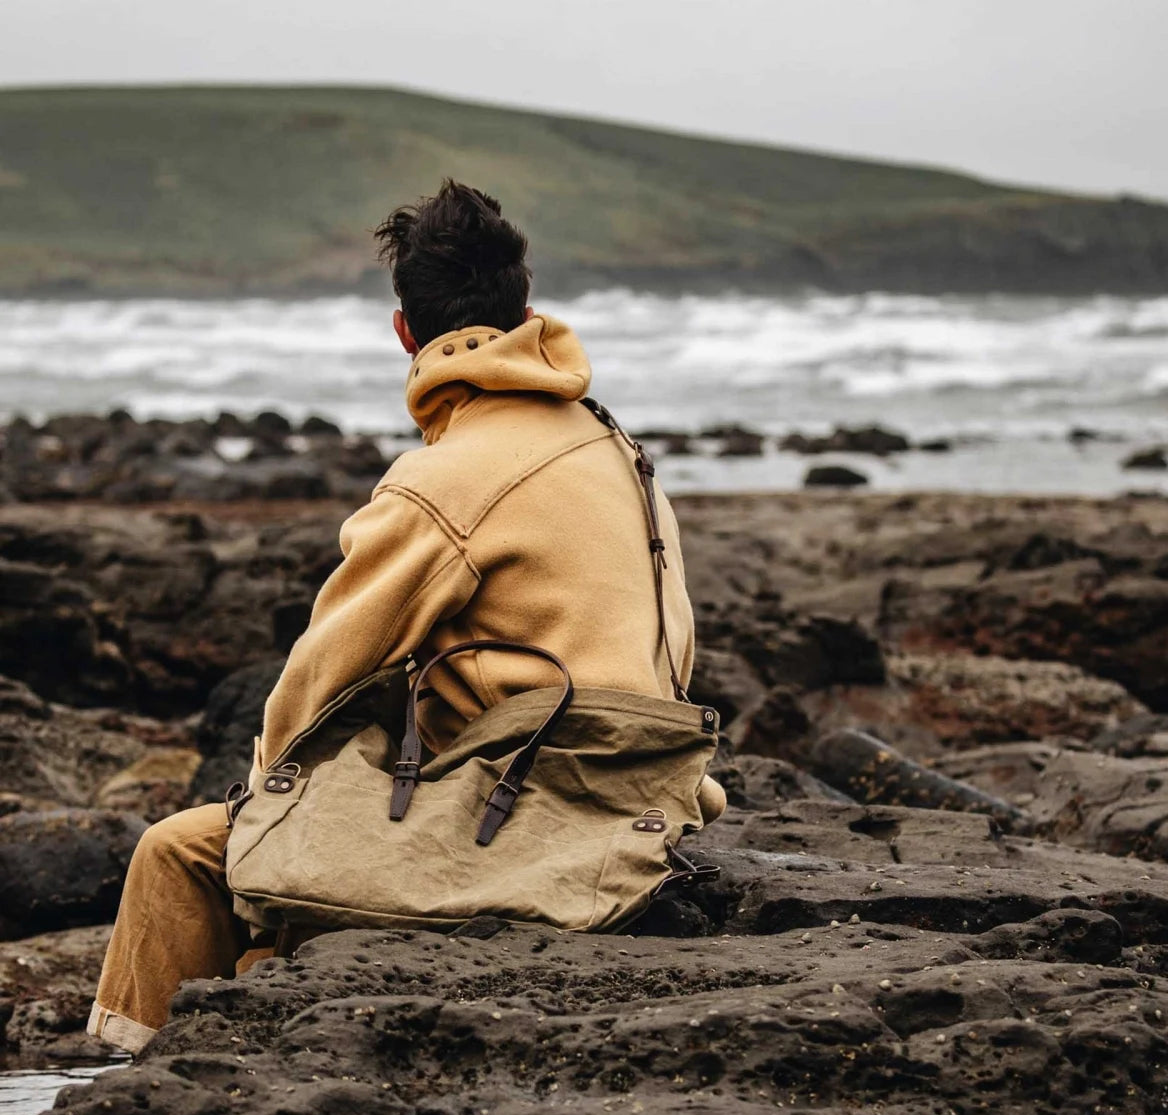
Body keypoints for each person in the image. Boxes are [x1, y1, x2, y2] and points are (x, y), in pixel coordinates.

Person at [88, 180, 718, 1054]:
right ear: (524, 310)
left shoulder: (444, 481)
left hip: (540, 810)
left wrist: (267, 812)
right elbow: (676, 647)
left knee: (180, 852)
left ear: (403, 331)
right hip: (650, 786)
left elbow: (318, 677)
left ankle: (134, 1101)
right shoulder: (617, 448)